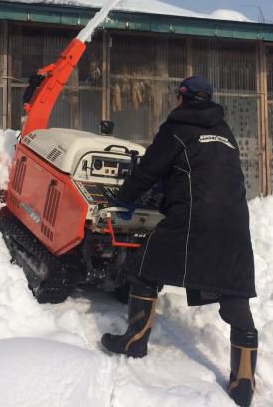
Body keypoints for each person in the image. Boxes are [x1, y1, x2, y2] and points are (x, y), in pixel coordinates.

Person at [101, 75, 258, 407]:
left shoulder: (178, 126)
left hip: (194, 217)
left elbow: (148, 170)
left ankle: (134, 341)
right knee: (233, 292)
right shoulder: (225, 133)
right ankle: (243, 382)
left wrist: (122, 199)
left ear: (182, 98)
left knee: (144, 267)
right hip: (234, 222)